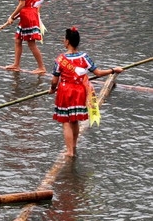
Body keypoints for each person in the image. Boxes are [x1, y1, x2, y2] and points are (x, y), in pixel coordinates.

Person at [50, 27, 122, 157]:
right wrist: (113, 70)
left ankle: (69, 152)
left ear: (67, 42)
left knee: (66, 121)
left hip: (65, 91)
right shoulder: (85, 57)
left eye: (64, 39)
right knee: (75, 120)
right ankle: (74, 146)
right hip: (79, 91)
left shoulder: (60, 59)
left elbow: (55, 81)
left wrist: (52, 89)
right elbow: (98, 73)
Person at [5, 0, 46, 73]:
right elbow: (31, 2)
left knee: (31, 43)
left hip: (28, 16)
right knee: (18, 40)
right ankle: (16, 64)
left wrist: (11, 16)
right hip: (30, 13)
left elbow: (22, 4)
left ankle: (41, 67)